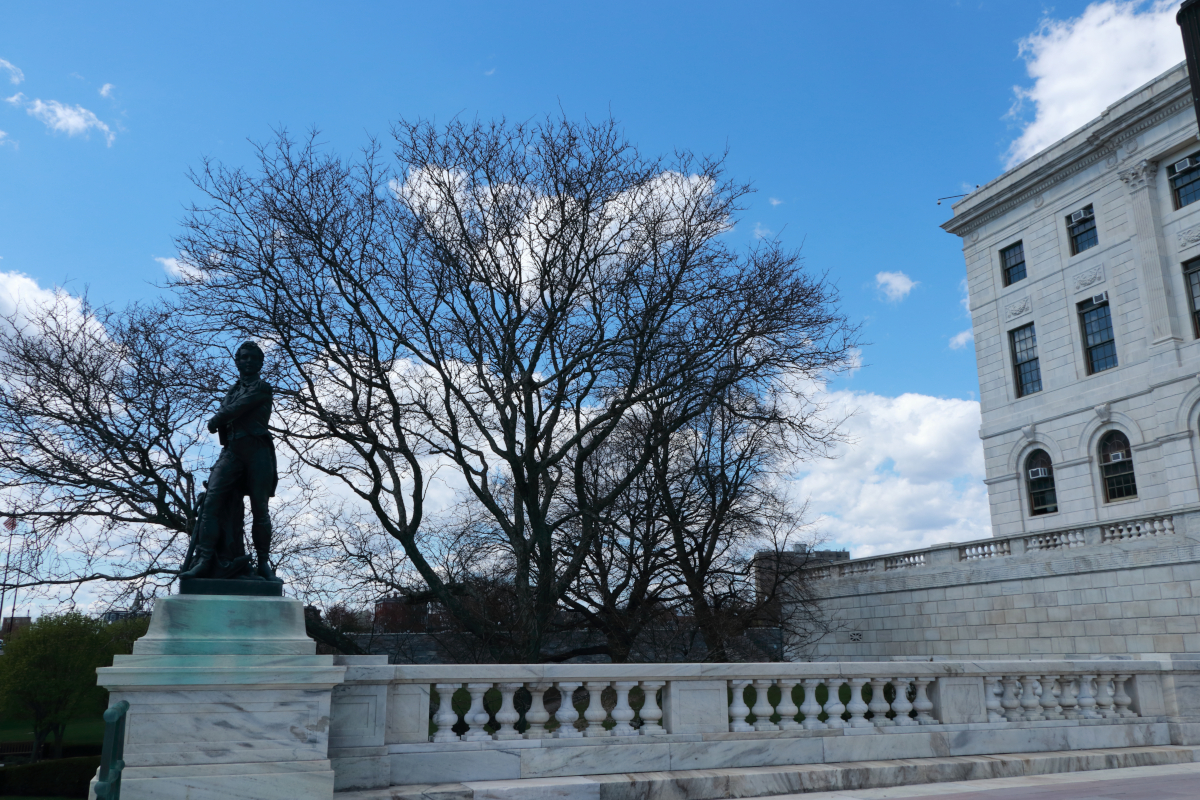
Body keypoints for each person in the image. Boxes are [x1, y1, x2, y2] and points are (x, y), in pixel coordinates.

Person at [179, 342, 281, 582]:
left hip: (257, 451)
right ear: (237, 361)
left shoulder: (262, 388)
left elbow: (237, 409)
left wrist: (216, 419)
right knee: (212, 502)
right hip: (232, 450)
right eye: (243, 357)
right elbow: (232, 407)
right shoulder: (233, 389)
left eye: (252, 357)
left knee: (260, 510)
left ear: (260, 362)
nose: (247, 361)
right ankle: (205, 561)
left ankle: (264, 564)